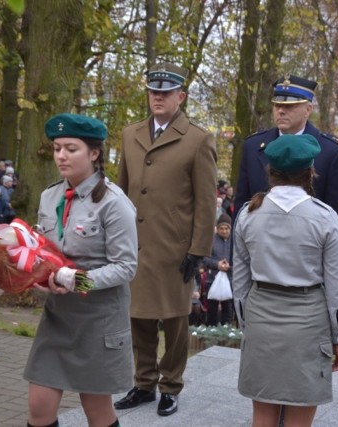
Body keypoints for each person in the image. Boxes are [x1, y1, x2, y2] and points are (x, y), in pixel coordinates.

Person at [23, 113, 138, 427]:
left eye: (71, 148)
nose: (61, 155)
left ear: (94, 153)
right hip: (58, 315)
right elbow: (42, 252)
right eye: (57, 147)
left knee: (97, 411)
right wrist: (38, 276)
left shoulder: (114, 203)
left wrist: (78, 279)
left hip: (98, 318)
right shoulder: (49, 196)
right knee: (38, 407)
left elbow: (126, 267)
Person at [115, 62, 217, 416]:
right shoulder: (130, 134)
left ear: (181, 96)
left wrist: (199, 250)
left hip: (175, 247)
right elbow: (121, 190)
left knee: (174, 320)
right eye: (153, 91)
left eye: (165, 92)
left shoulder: (198, 139)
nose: (158, 97)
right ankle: (143, 383)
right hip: (134, 244)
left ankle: (170, 385)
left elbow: (206, 202)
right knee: (137, 316)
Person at [232, 134, 338, 427]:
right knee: (299, 418)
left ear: (269, 171)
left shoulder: (248, 214)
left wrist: (247, 323)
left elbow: (240, 280)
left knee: (262, 417)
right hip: (308, 322)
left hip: (261, 315)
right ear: (311, 172)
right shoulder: (324, 217)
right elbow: (337, 287)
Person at [234, 74, 338, 254]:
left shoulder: (331, 152)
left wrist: (334, 266)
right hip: (258, 255)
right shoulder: (253, 147)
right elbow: (241, 207)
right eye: (277, 105)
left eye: (289, 106)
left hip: (308, 258)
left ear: (308, 109)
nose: (281, 111)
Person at [203, 213, 234, 326]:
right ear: (217, 228)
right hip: (212, 279)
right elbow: (204, 259)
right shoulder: (211, 240)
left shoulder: (235, 242)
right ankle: (211, 333)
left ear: (230, 228)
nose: (224, 231)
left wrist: (229, 267)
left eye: (226, 228)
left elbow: (241, 260)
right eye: (221, 228)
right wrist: (217, 265)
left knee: (228, 309)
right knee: (212, 310)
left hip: (230, 280)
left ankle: (227, 333)